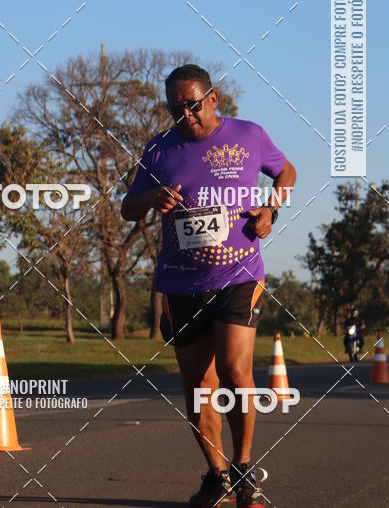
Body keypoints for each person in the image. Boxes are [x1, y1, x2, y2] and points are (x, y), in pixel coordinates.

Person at [121, 64, 297, 508]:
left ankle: (243, 469)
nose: (186, 116)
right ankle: (216, 476)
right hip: (181, 282)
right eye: (175, 109)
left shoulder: (249, 135)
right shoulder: (158, 150)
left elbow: (287, 173)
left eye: (193, 105)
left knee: (236, 372)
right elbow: (128, 207)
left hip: (239, 272)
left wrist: (270, 211)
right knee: (198, 383)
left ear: (213, 99)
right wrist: (151, 199)